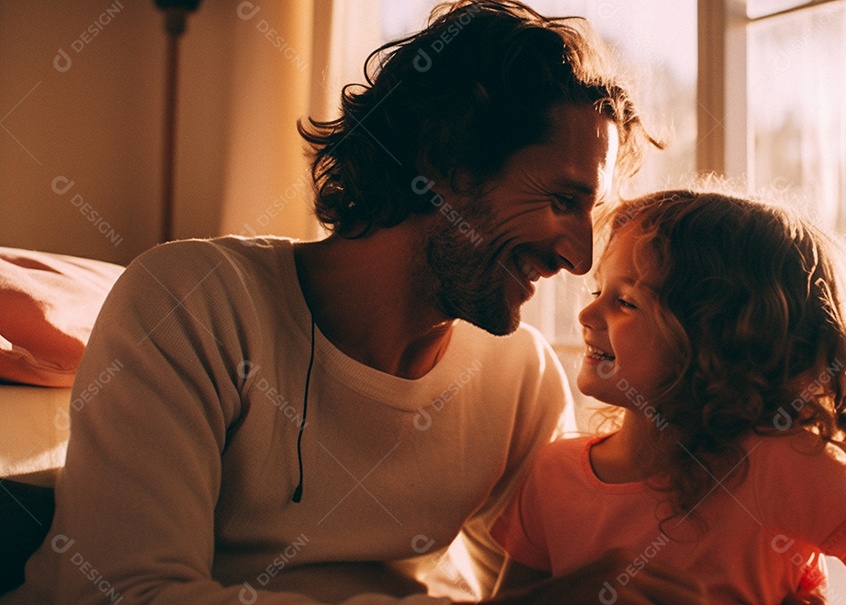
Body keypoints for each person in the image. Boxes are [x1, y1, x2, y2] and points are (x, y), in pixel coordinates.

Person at [3, 2, 708, 604]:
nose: (578, 258)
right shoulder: (193, 302)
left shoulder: (516, 376)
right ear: (448, 164)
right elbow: (129, 594)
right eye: (562, 200)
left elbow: (537, 583)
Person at [491, 189, 846, 604]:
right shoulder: (553, 475)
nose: (587, 315)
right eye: (596, 291)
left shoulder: (783, 465)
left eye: (625, 301)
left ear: (717, 338)